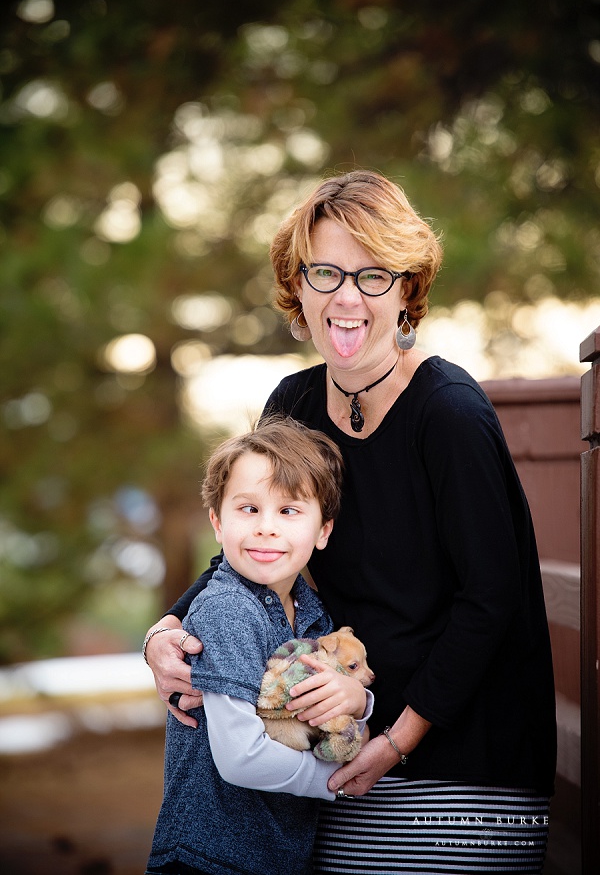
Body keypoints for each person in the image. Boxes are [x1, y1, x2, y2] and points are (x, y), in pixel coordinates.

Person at [145, 170, 557, 873]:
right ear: (296, 286)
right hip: (339, 756)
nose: (346, 296)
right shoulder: (293, 404)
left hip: (457, 770)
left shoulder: (449, 414)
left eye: (372, 276)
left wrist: (394, 740)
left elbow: (491, 602)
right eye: (326, 271)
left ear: (407, 290)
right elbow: (253, 550)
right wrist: (165, 630)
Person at [145, 417, 373, 875]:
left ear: (323, 530)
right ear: (217, 521)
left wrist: (359, 702)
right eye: (248, 509)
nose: (266, 527)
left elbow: (331, 715)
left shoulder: (312, 613)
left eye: (289, 511)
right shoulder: (227, 609)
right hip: (208, 859)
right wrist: (338, 781)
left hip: (278, 857)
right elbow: (241, 758)